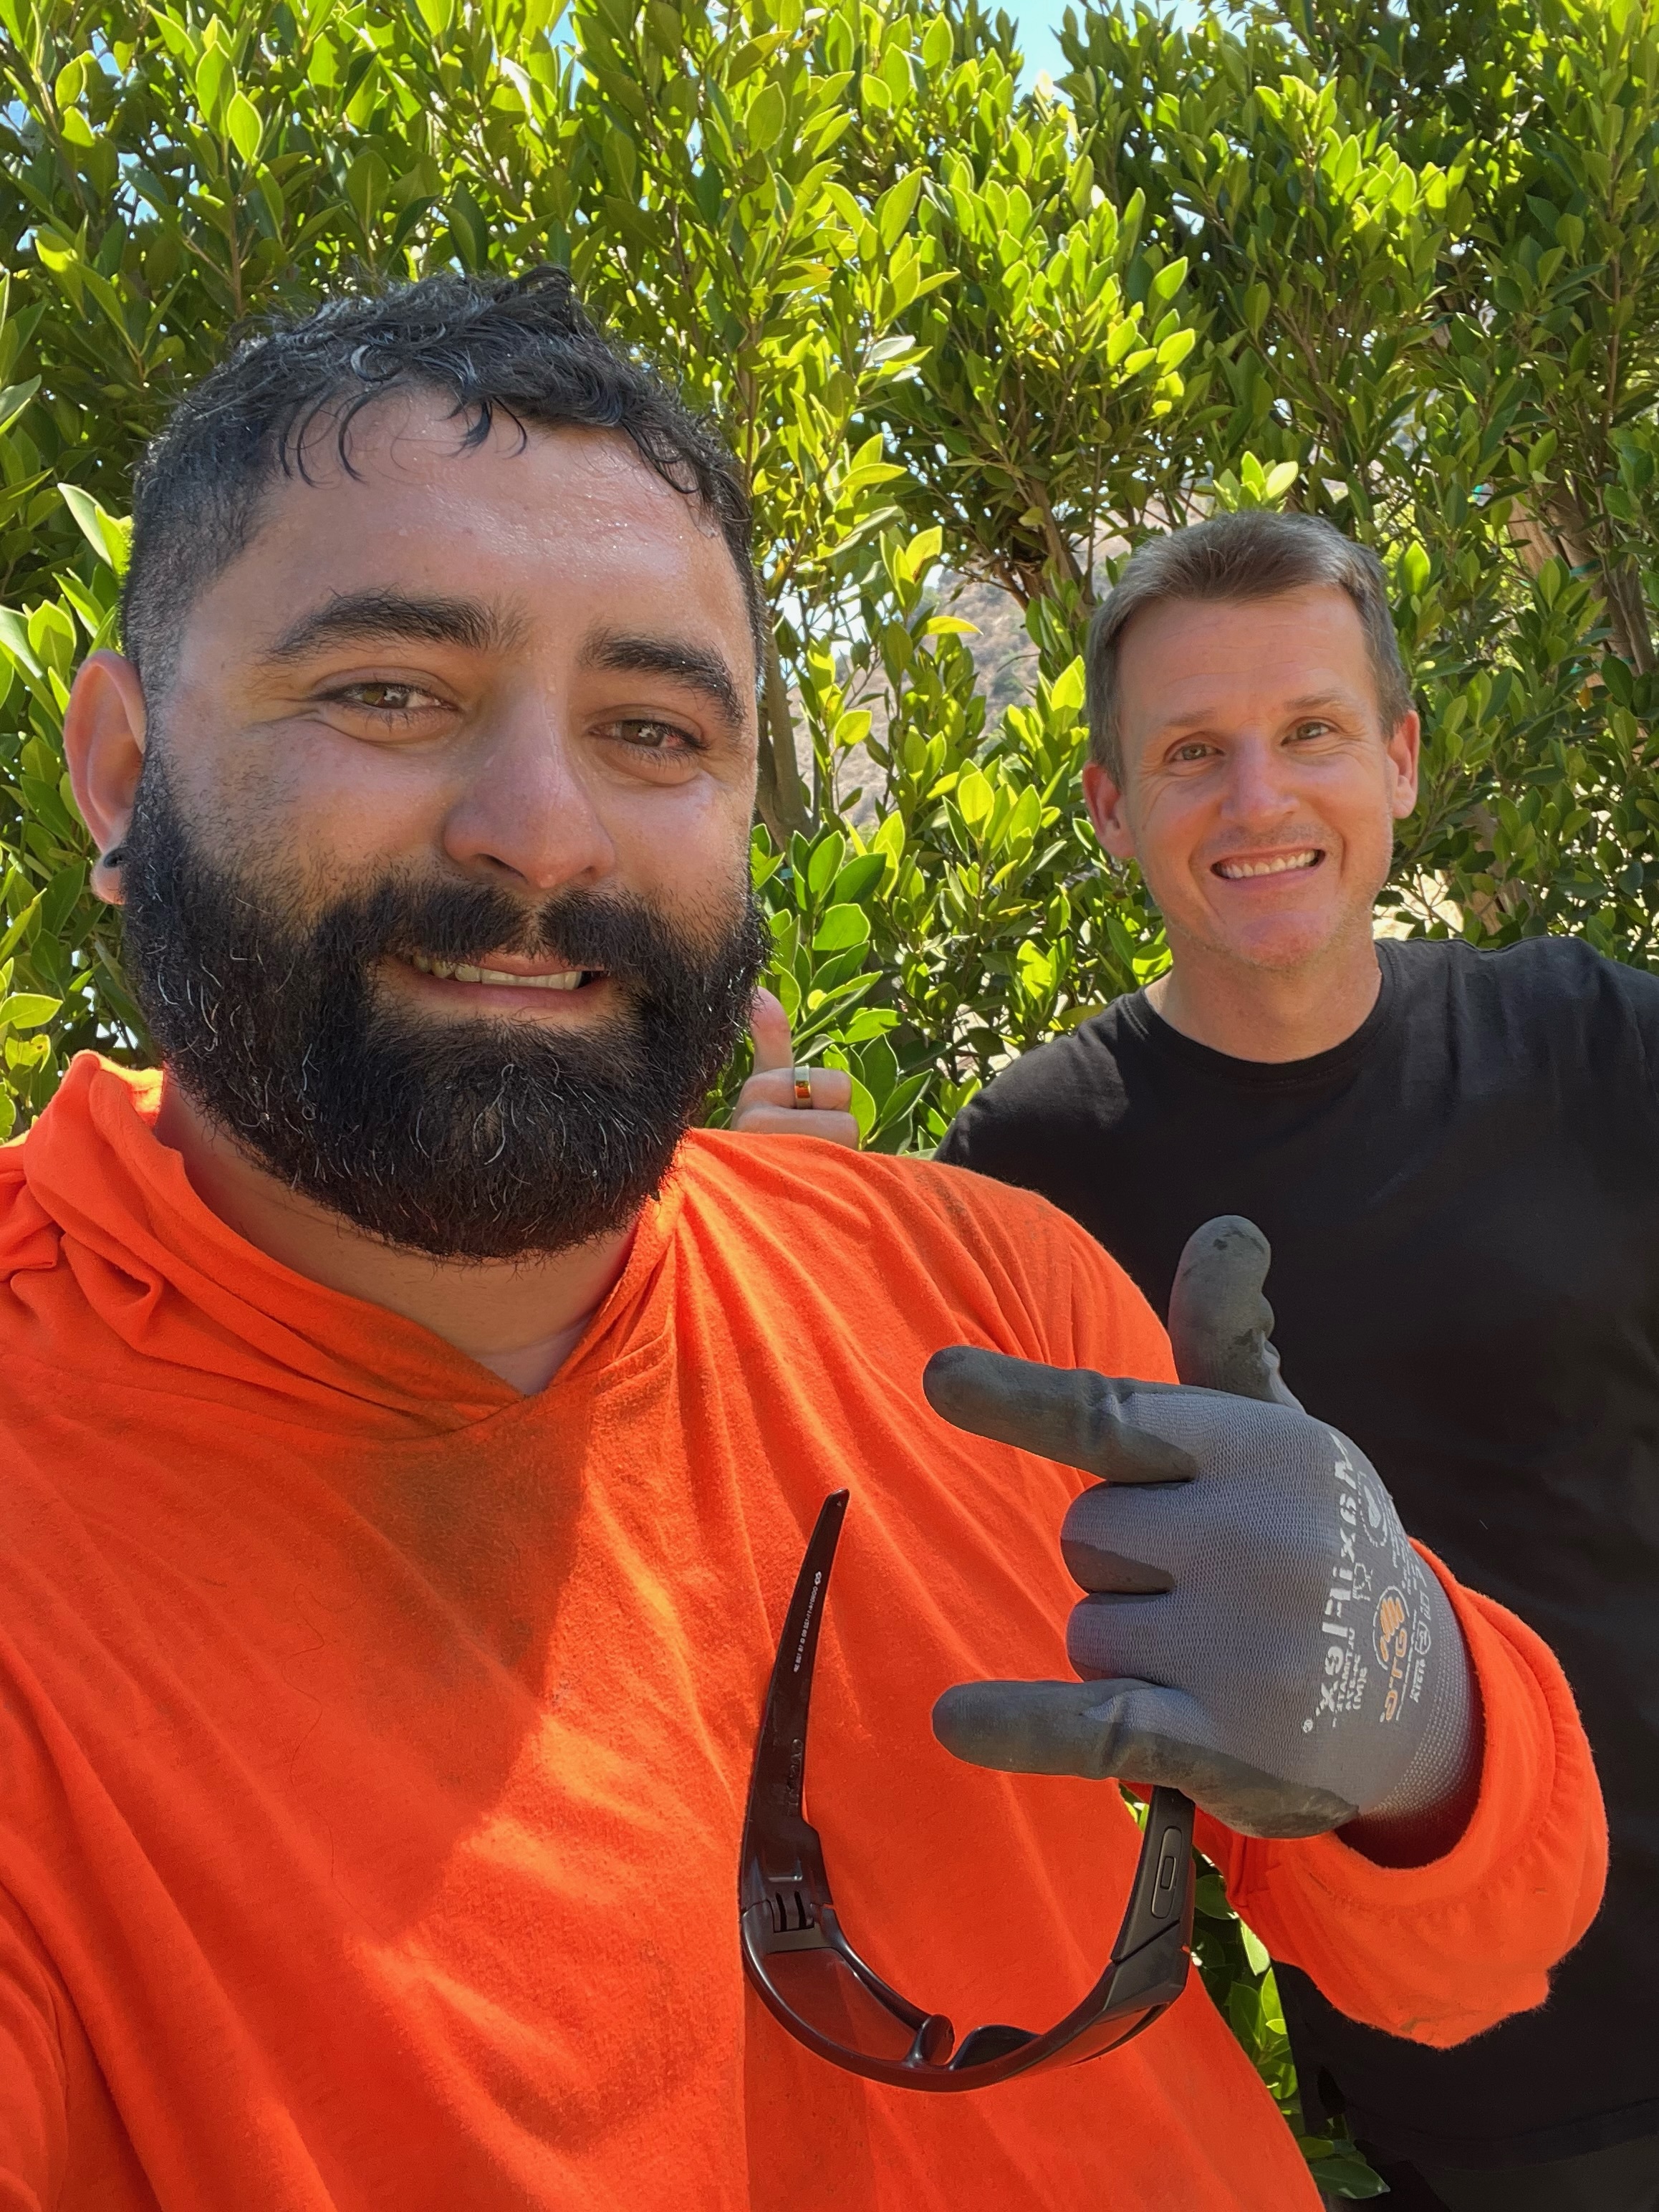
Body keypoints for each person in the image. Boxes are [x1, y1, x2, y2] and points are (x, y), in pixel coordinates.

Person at [0, 273, 1603, 2212]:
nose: (538, 824)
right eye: (389, 693)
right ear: (117, 764)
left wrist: (1423, 1714)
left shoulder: (975, 1285)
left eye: (654, 728)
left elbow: (1460, 1955)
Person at [897, 511, 1659, 2211]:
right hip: (1448, 2081)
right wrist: (782, 1201)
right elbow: (911, 1533)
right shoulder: (1030, 1166)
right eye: (1190, 753)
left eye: (1310, 732)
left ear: (1396, 759)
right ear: (1110, 810)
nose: (1258, 800)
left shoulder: (1600, 1041)